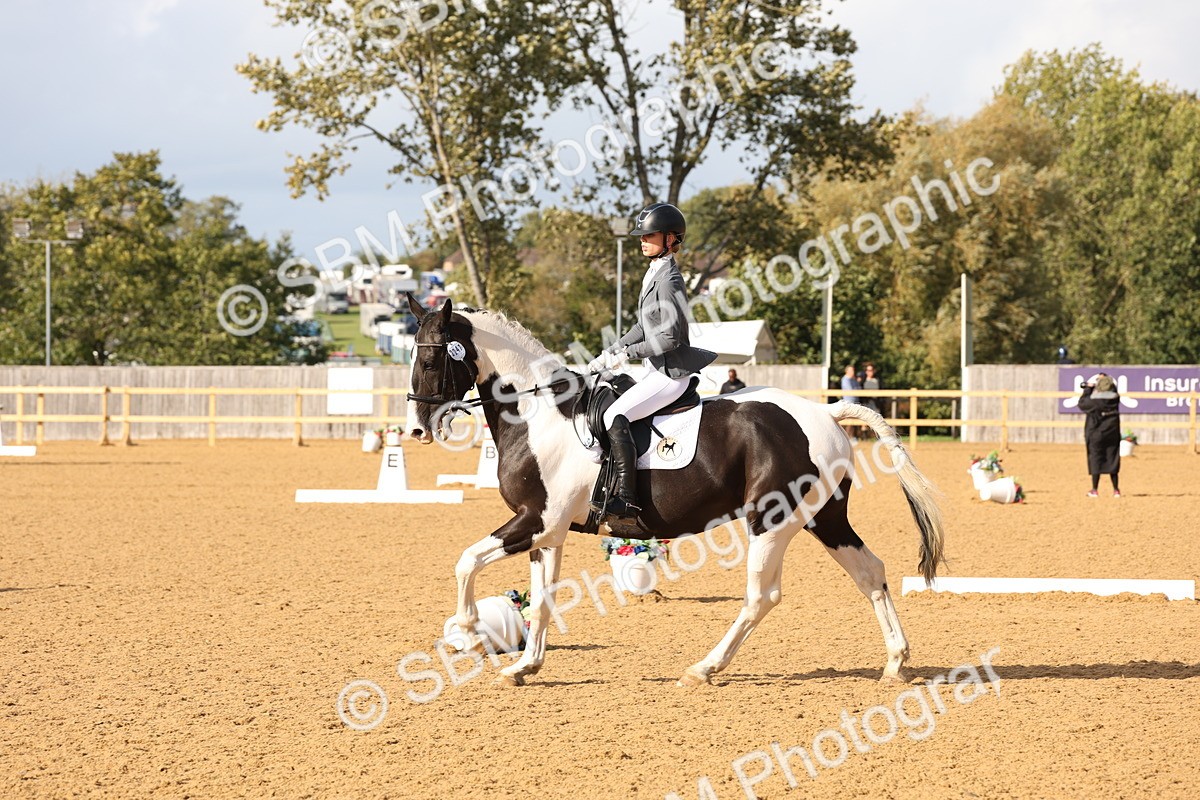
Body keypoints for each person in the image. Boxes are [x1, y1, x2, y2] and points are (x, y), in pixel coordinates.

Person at [587, 202, 717, 522]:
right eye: (641, 236)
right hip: (654, 371)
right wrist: (612, 350)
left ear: (671, 238)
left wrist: (627, 355)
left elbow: (671, 338)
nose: (642, 240)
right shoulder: (654, 273)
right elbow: (642, 329)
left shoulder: (670, 279)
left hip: (670, 374)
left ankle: (627, 499)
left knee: (615, 415)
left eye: (650, 235)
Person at [1078, 373, 1121, 497]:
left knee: (1095, 459)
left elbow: (1081, 404)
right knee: (1113, 458)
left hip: (1096, 433)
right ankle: (1116, 490)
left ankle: (1094, 490)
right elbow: (1112, 390)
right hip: (1112, 432)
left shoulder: (1093, 401)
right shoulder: (1115, 398)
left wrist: (1088, 389)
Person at [840, 364, 862, 441]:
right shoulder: (845, 379)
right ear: (847, 371)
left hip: (855, 402)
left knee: (854, 421)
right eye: (851, 370)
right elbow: (851, 390)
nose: (853, 372)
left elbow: (859, 388)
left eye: (853, 370)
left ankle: (853, 436)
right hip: (849, 402)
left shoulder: (853, 379)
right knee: (849, 421)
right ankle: (848, 437)